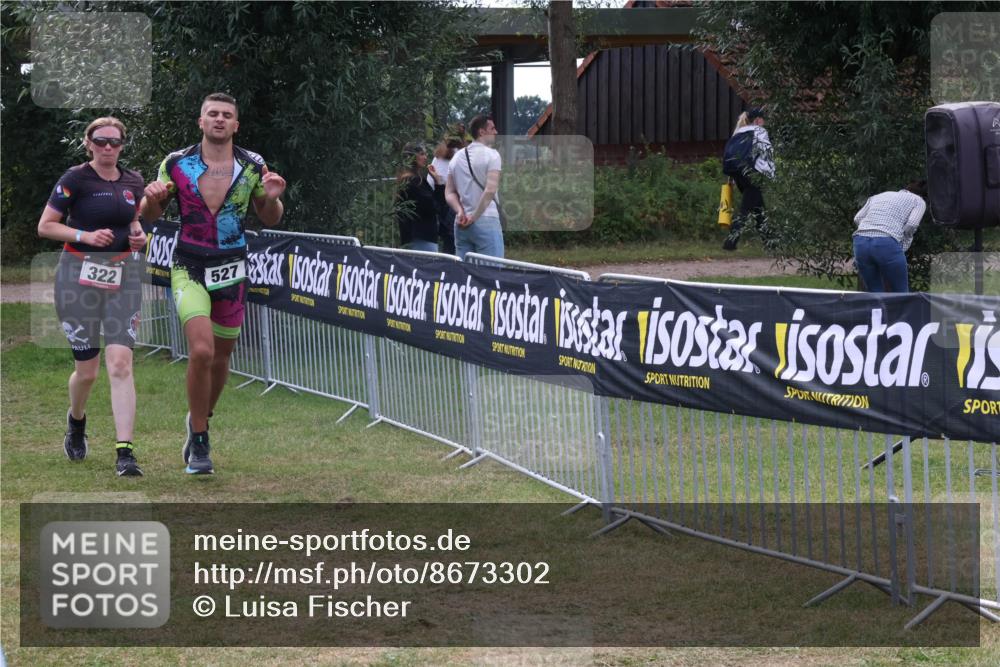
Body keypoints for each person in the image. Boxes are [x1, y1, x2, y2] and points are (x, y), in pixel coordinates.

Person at [139, 92, 286, 475]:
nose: (219, 120)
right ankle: (201, 441)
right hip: (189, 264)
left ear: (236, 125)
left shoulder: (253, 165)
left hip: (232, 267)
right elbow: (150, 215)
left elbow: (269, 217)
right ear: (201, 122)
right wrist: (151, 199)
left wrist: (272, 199)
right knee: (201, 351)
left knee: (222, 357)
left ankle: (199, 418)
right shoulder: (175, 163)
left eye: (226, 115)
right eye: (212, 114)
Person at [37, 117, 147, 476]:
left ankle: (125, 453)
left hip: (123, 274)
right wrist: (85, 236)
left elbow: (133, 221)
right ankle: (77, 419)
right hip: (77, 276)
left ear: (122, 146)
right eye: (101, 141)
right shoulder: (75, 179)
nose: (108, 148)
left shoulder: (133, 180)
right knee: (88, 372)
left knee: (120, 363)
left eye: (115, 142)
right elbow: (46, 225)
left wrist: (137, 236)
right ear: (89, 144)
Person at [445, 115, 504, 259]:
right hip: (486, 219)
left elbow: (449, 192)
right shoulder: (492, 155)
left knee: (464, 276)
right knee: (491, 273)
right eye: (492, 128)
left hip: (461, 222)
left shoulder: (456, 157)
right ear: (481, 132)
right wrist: (474, 216)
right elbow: (490, 190)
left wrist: (459, 211)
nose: (496, 132)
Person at [852, 181, 927, 293]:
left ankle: (878, 310)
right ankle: (899, 311)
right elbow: (912, 224)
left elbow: (857, 218)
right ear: (924, 195)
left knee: (875, 292)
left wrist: (872, 229)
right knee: (901, 292)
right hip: (886, 243)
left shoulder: (878, 196)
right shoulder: (918, 201)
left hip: (860, 242)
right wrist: (904, 239)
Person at [721, 108, 774, 251]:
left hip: (740, 176)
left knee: (758, 210)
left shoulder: (739, 133)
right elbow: (766, 154)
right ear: (757, 120)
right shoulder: (760, 132)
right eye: (763, 119)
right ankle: (730, 243)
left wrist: (731, 178)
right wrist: (771, 175)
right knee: (745, 210)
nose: (764, 122)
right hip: (753, 175)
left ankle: (770, 243)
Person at [396, 142, 441, 252]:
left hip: (410, 236)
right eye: (421, 154)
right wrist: (438, 184)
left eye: (425, 154)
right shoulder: (415, 181)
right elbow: (432, 207)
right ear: (412, 157)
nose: (425, 157)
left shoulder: (406, 179)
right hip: (422, 237)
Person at [430, 137, 464, 255]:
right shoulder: (440, 158)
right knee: (451, 238)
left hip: (447, 200)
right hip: (449, 202)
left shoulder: (442, 158)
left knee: (451, 238)